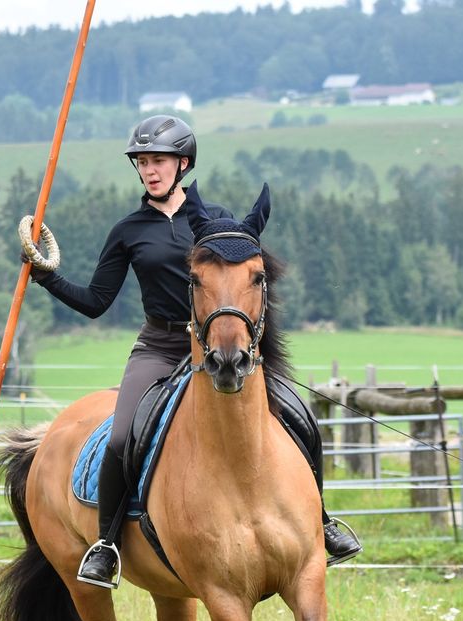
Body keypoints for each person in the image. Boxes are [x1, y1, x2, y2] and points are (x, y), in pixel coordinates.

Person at [23, 114, 361, 589]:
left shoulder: (212, 220)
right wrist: (46, 277)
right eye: (142, 163)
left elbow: (244, 279)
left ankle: (321, 521)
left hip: (220, 346)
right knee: (122, 438)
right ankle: (106, 545)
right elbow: (97, 302)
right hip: (160, 347)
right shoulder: (129, 230)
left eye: (158, 161)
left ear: (182, 163)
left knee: (298, 415)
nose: (149, 170)